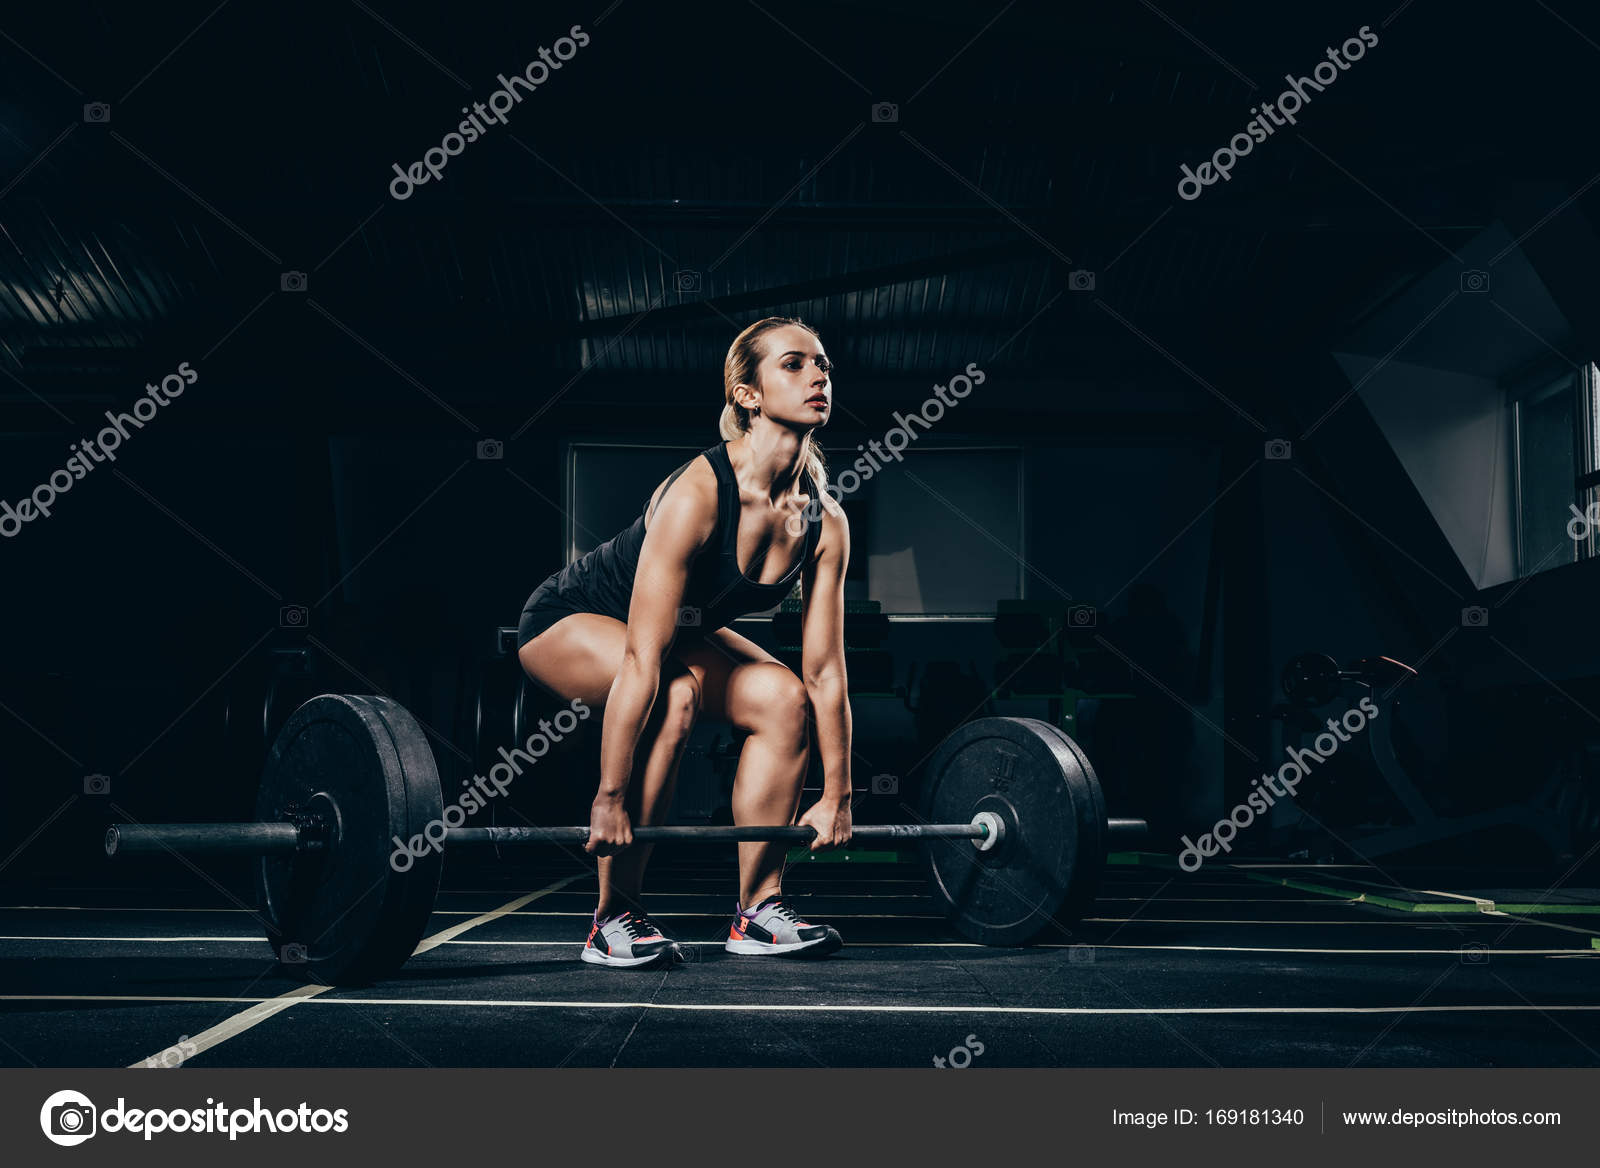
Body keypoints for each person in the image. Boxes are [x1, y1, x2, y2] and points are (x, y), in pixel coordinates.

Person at [515, 316, 853, 968]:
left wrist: (837, 795)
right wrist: (609, 797)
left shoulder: (824, 521)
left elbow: (826, 674)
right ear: (747, 394)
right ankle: (612, 918)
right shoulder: (696, 492)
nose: (818, 376)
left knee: (784, 697)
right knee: (673, 694)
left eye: (824, 366)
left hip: (678, 632)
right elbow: (645, 656)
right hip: (569, 618)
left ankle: (758, 909)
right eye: (794, 363)